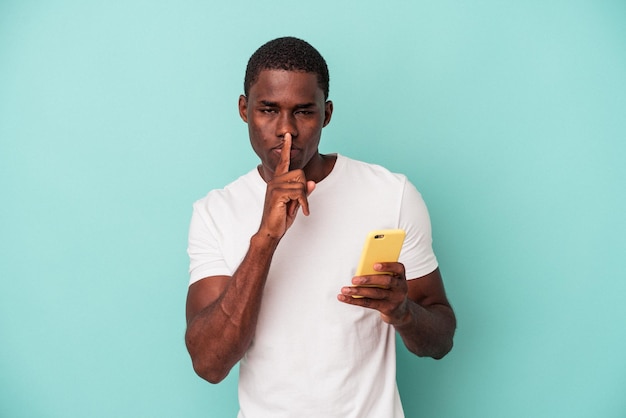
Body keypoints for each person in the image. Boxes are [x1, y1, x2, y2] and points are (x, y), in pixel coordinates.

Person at [185, 36, 456, 418]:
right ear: (244, 109)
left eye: (303, 112)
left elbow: (441, 338)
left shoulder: (391, 194)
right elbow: (209, 364)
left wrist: (403, 313)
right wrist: (265, 239)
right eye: (268, 109)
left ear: (326, 114)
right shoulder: (215, 211)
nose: (286, 130)